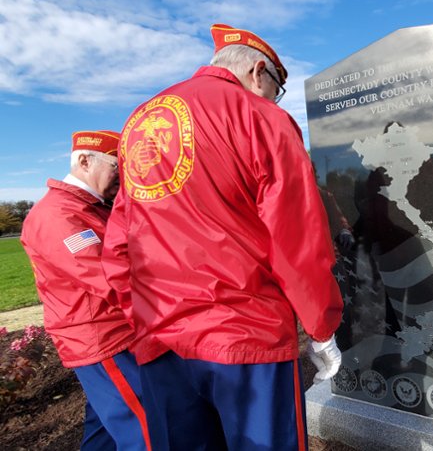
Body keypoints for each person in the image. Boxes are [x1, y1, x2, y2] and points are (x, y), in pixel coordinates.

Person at [102, 24, 343, 450]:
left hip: (161, 339)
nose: (273, 97)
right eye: (276, 86)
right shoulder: (260, 116)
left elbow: (120, 241)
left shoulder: (140, 122)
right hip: (245, 332)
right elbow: (296, 232)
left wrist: (141, 317)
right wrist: (321, 325)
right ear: (257, 72)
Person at [21, 131, 150, 451]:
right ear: (83, 161)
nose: (124, 178)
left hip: (111, 334)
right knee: (145, 428)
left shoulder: (91, 207)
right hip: (105, 339)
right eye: (118, 169)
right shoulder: (59, 214)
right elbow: (107, 278)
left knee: (105, 429)